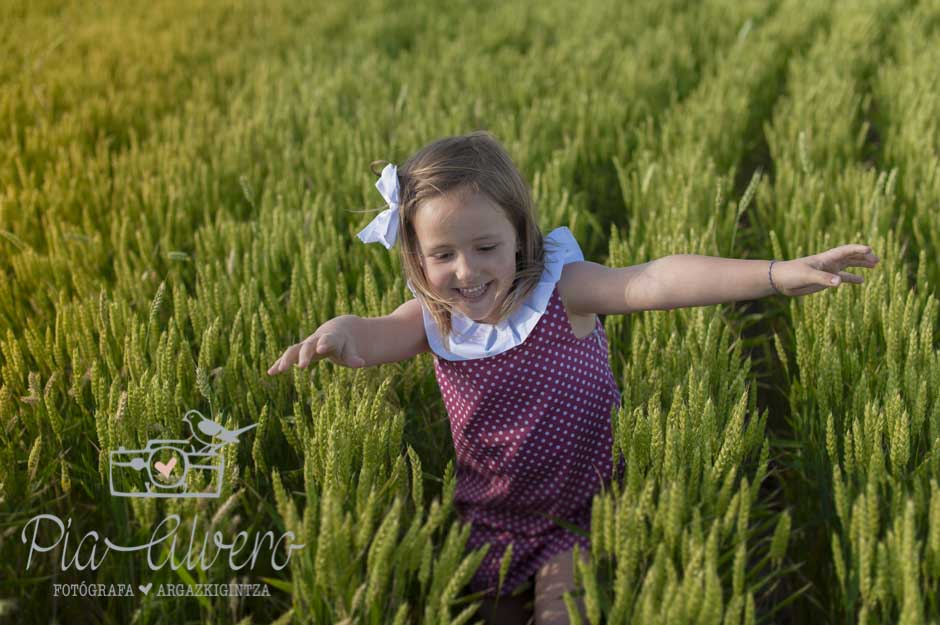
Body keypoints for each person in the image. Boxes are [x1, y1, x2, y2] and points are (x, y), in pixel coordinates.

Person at [267, 130, 880, 624]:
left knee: (565, 612)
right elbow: (372, 336)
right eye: (443, 255)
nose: (465, 271)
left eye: (486, 247)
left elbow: (655, 280)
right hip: (488, 519)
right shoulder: (435, 319)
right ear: (416, 259)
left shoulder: (563, 291)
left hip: (581, 514)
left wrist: (775, 273)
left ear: (519, 237)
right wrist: (341, 332)